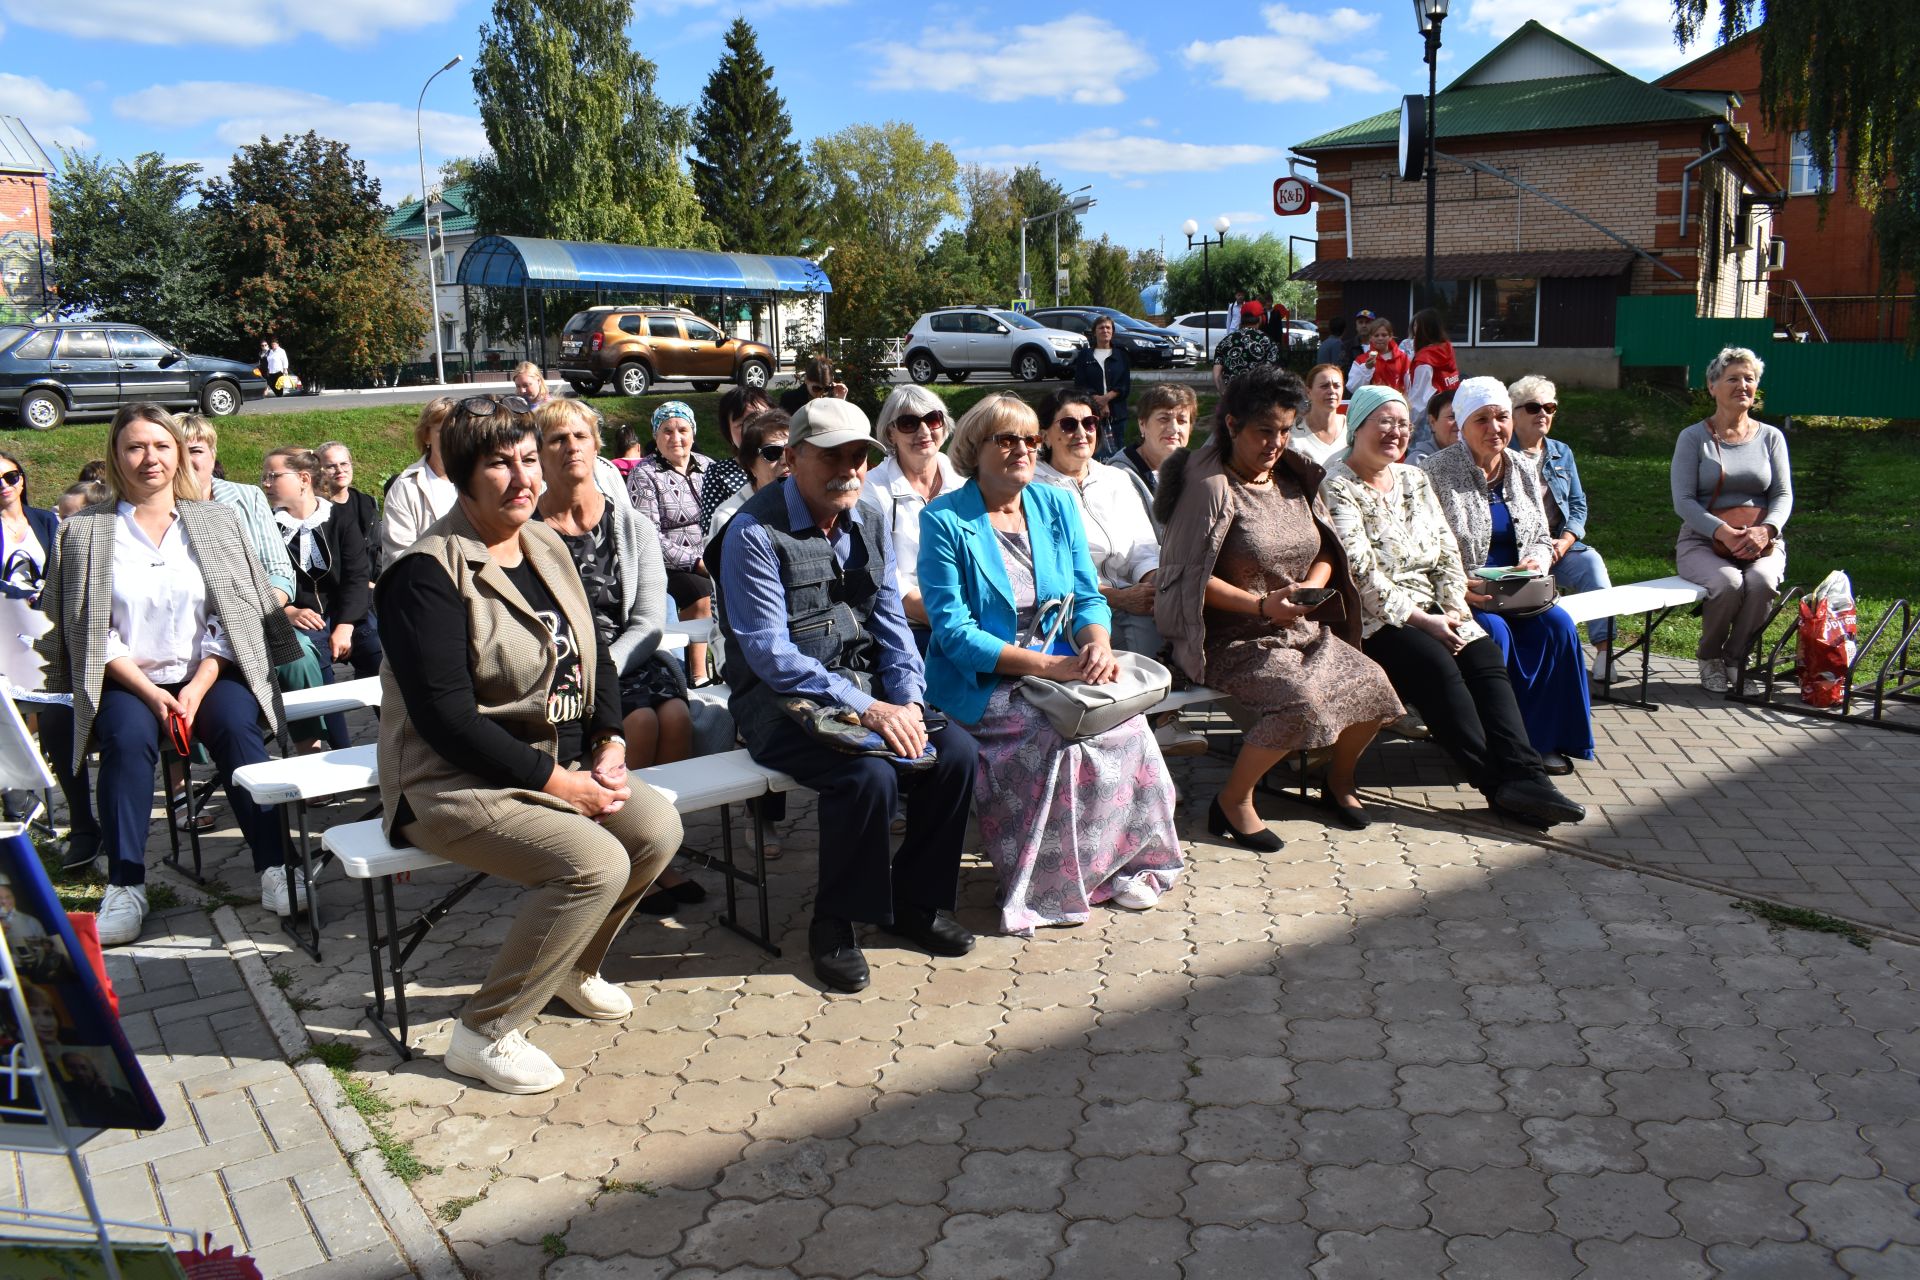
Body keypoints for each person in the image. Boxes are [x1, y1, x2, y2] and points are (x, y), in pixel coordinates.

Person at [376, 394, 683, 1094]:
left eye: (526, 460)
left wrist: (607, 741)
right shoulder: (427, 573)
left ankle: (574, 967)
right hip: (446, 784)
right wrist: (561, 785)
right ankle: (482, 1031)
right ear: (460, 475)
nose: (522, 479)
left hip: (547, 763)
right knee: (594, 863)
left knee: (656, 827)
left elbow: (595, 648)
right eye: (498, 465)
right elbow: (447, 720)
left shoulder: (544, 541)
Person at [713, 398, 979, 994]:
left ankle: (918, 905)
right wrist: (869, 708)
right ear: (795, 457)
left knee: (956, 755)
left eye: (860, 456)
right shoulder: (752, 533)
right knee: (868, 778)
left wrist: (906, 698)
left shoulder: (870, 520)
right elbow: (769, 655)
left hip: (865, 694)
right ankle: (835, 924)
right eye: (833, 455)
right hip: (776, 704)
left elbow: (890, 625)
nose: (850, 469)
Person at [38, 404, 305, 948]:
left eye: (160, 446)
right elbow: (86, 631)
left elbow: (235, 614)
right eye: (135, 447)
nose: (149, 458)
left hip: (209, 670)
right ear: (116, 456)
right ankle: (126, 884)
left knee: (236, 730)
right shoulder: (83, 532)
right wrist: (151, 692)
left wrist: (197, 686)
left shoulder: (215, 521)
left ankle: (278, 866)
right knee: (126, 738)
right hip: (126, 680)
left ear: (179, 453)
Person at [919, 393, 1182, 933]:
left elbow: (1087, 595)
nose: (1023, 449)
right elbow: (955, 635)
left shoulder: (1054, 505)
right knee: (1054, 741)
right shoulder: (944, 520)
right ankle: (1053, 883)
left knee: (1129, 729)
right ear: (975, 448)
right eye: (1007, 439)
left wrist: (1096, 644)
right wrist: (1048, 668)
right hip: (986, 679)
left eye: (1031, 439)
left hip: (1061, 666)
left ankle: (1123, 864)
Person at [1156, 367, 1401, 844]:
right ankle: (1233, 801)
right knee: (1302, 704)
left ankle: (1339, 782)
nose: (1276, 442)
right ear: (1231, 426)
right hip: (1230, 639)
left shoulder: (1291, 474)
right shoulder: (1209, 488)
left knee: (1375, 687)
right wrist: (1262, 606)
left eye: (1286, 430)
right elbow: (1190, 580)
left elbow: (1328, 549)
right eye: (1264, 431)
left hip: (1297, 627)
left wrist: (1310, 588)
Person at [1324, 386, 1586, 829]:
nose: (1395, 433)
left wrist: (1454, 611)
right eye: (1384, 422)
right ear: (1358, 427)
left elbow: (1447, 552)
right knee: (1436, 666)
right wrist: (1427, 621)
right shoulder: (1337, 485)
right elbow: (1362, 576)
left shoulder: (1412, 478)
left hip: (1435, 604)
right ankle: (1496, 784)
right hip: (1379, 619)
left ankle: (1527, 776)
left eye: (1403, 425)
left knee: (1483, 655)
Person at [534, 399, 706, 914]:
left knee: (675, 715)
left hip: (631, 656)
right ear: (539, 455)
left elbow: (650, 619)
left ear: (596, 446)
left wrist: (606, 666)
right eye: (556, 440)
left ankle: (656, 852)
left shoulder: (630, 525)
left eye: (579, 437)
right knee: (640, 725)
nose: (570, 448)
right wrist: (586, 672)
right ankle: (621, 856)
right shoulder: (527, 530)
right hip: (565, 666)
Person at [1421, 377, 1593, 773]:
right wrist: (1458, 585)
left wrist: (1536, 561)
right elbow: (1427, 544)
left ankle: (1547, 739)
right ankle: (1497, 745)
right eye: (1481, 419)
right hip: (1461, 590)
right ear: (1461, 425)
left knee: (1558, 626)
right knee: (1492, 633)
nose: (1494, 428)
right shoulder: (1436, 472)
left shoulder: (1522, 466)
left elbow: (1537, 534)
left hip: (1518, 589)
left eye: (1501, 417)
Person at [1671, 346, 1793, 693]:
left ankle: (1735, 658)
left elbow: (1783, 495)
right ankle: (1709, 657)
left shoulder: (1771, 437)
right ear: (1712, 387)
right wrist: (1722, 531)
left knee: (1762, 584)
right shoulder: (1693, 438)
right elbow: (1683, 500)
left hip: (1761, 542)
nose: (1743, 385)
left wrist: (1766, 530)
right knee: (1729, 584)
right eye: (1733, 378)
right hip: (1703, 540)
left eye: (1750, 379)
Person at [0, 454, 95, 859]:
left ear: (22, 479)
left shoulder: (48, 521)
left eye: (10, 475)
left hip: (56, 636)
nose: (3, 484)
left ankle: (78, 821)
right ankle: (18, 794)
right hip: (6, 632)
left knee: (56, 712)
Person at [1032, 388, 1162, 658]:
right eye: (1068, 425)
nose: (1081, 433)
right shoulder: (1032, 488)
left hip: (1135, 594)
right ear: (1044, 436)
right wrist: (1118, 598)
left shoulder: (1115, 479)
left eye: (1089, 423)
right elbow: (1048, 571)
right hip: (1074, 608)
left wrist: (1152, 586)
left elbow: (1144, 547)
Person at [262, 448, 376, 749]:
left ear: (303, 479)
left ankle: (398, 742)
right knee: (315, 659)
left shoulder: (338, 518)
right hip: (301, 616)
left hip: (347, 613)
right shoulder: (268, 527)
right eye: (264, 477)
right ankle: (340, 751)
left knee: (377, 650)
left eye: (273, 476)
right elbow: (260, 579)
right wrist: (286, 610)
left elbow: (356, 576)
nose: (266, 483)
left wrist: (346, 626)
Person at [1509, 377, 1616, 684]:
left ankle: (1605, 652)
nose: (1542, 414)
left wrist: (1566, 540)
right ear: (1514, 414)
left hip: (1559, 544)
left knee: (1592, 564)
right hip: (1519, 550)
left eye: (1549, 407)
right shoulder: (1502, 454)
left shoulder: (1560, 452)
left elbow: (1578, 504)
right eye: (1533, 407)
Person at [859, 385, 961, 649]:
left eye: (932, 419)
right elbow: (883, 575)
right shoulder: (871, 489)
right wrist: (948, 620)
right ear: (891, 432)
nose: (924, 431)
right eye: (909, 423)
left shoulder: (965, 481)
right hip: (908, 625)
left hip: (969, 616)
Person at [627, 402, 715, 684]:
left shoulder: (708, 466)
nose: (676, 438)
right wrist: (696, 562)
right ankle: (698, 673)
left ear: (693, 433)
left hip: (710, 554)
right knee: (700, 590)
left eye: (682, 430)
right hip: (667, 563)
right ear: (655, 436)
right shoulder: (645, 474)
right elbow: (649, 535)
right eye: (667, 431)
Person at [382, 397, 460, 563]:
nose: (450, 439)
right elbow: (400, 557)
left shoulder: (480, 479)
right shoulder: (406, 488)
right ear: (426, 437)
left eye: (456, 431)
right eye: (442, 432)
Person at [699, 386, 775, 530]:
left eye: (762, 418)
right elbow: (710, 530)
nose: (754, 428)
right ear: (729, 433)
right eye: (742, 424)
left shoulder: (791, 461)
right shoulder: (718, 473)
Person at [709, 410, 793, 537]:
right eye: (772, 452)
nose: (785, 460)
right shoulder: (729, 519)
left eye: (793, 450)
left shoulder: (817, 503)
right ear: (750, 465)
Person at [1114, 384, 1196, 500]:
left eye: (1181, 420)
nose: (1174, 429)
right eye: (1164, 419)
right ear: (1142, 424)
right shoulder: (1119, 476)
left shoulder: (1197, 470)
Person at [315, 441, 383, 582]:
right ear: (319, 471)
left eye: (344, 464)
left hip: (373, 585)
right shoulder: (315, 509)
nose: (340, 470)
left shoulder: (367, 503)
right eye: (331, 466)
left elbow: (377, 550)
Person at [1069, 315, 1131, 460]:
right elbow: (1080, 384)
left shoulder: (1121, 355)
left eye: (1108, 327)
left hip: (1117, 414)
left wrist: (1107, 399)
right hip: (1091, 414)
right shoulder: (1085, 356)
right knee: (1094, 452)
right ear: (1094, 332)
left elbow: (1124, 385)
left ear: (1113, 332)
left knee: (1117, 455)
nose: (1105, 330)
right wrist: (1098, 403)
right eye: (1101, 327)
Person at [1211, 301, 1279, 392]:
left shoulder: (1225, 341)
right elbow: (1272, 374)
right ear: (1261, 318)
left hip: (1231, 399)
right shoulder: (1268, 342)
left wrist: (1224, 394)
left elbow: (1217, 375)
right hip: (1257, 401)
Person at [1290, 364, 1349, 467]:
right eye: (1324, 386)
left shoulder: (1352, 428)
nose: (1332, 391)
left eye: (1337, 386)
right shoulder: (1293, 432)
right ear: (1308, 392)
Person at [1348, 318, 1410, 394]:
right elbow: (1352, 387)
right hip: (1372, 404)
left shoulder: (1403, 358)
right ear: (1370, 337)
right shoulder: (1361, 359)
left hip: (1397, 403)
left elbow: (1410, 386)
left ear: (1390, 336)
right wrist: (1366, 369)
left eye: (1384, 335)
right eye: (1376, 335)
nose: (1380, 338)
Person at [778, 354, 846, 415]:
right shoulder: (789, 400)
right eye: (816, 388)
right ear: (806, 380)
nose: (820, 394)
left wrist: (840, 401)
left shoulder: (833, 400)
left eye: (826, 389)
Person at [1406, 387, 1458, 466]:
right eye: (1452, 417)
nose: (1459, 422)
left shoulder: (1476, 456)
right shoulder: (1419, 462)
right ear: (1432, 422)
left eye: (1462, 416)